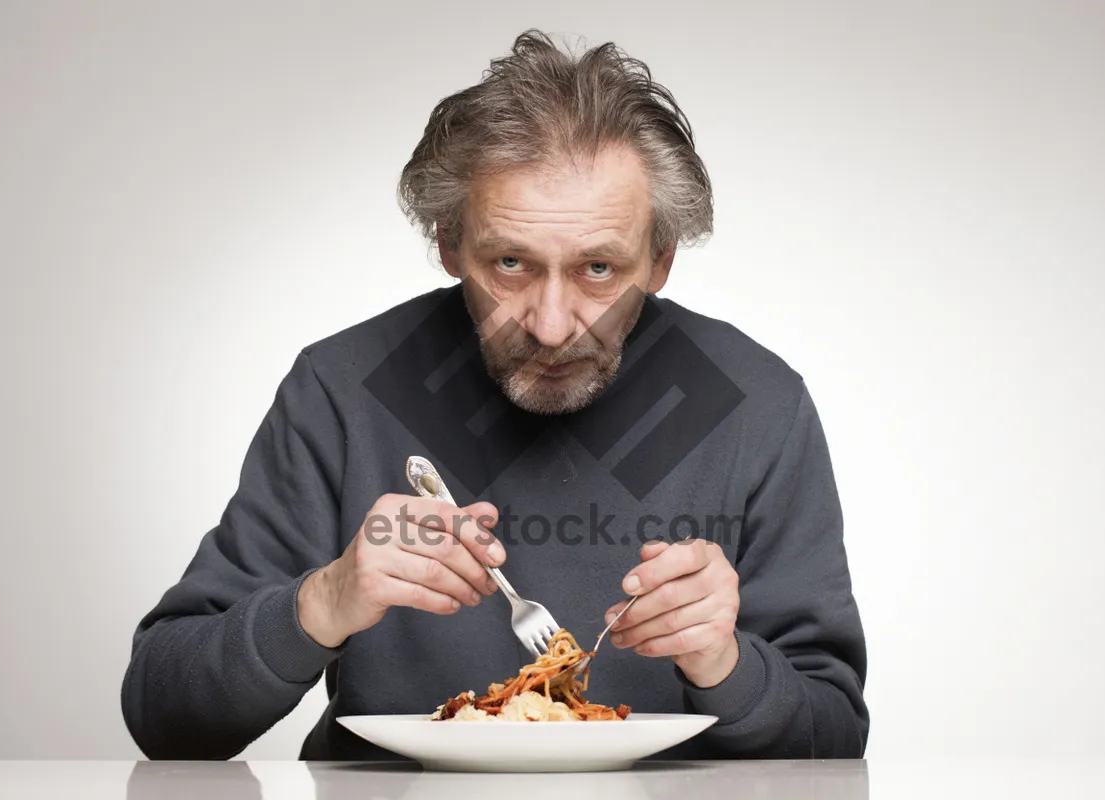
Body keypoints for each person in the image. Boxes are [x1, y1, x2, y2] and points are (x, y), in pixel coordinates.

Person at [120, 29, 869, 761]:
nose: (550, 326)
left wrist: (723, 664)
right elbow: (165, 718)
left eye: (599, 270)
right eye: (510, 262)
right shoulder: (342, 389)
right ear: (448, 243)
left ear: (662, 259)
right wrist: (321, 603)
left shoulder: (756, 404)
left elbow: (834, 739)